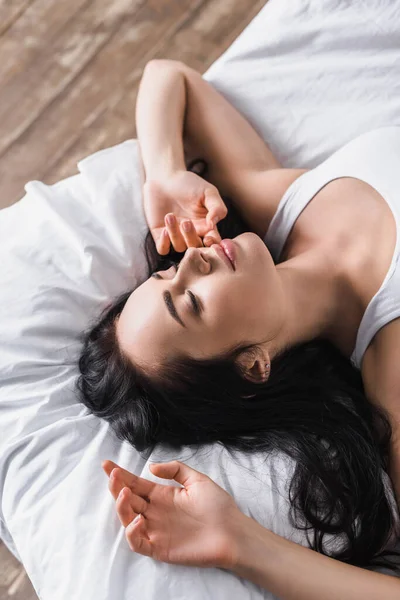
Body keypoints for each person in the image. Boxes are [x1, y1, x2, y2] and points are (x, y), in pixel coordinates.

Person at [77, 59, 400, 594]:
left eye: (167, 274)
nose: (191, 264)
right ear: (253, 365)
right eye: (190, 305)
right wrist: (240, 544)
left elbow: (168, 75)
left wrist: (162, 175)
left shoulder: (282, 204)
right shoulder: (391, 370)